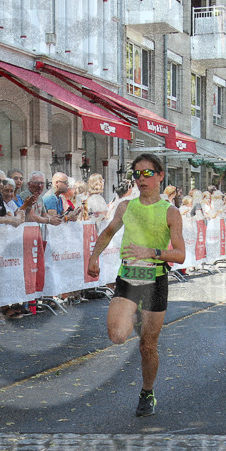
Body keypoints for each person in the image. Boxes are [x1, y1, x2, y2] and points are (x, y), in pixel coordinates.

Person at [86, 154, 186, 416]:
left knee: (147, 346)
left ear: (160, 176)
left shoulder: (171, 212)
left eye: (148, 173)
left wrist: (151, 251)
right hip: (128, 277)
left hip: (155, 280)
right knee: (117, 335)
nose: (142, 179)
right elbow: (108, 232)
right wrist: (94, 256)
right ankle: (135, 317)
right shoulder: (125, 207)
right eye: (137, 174)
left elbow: (180, 255)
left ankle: (147, 392)